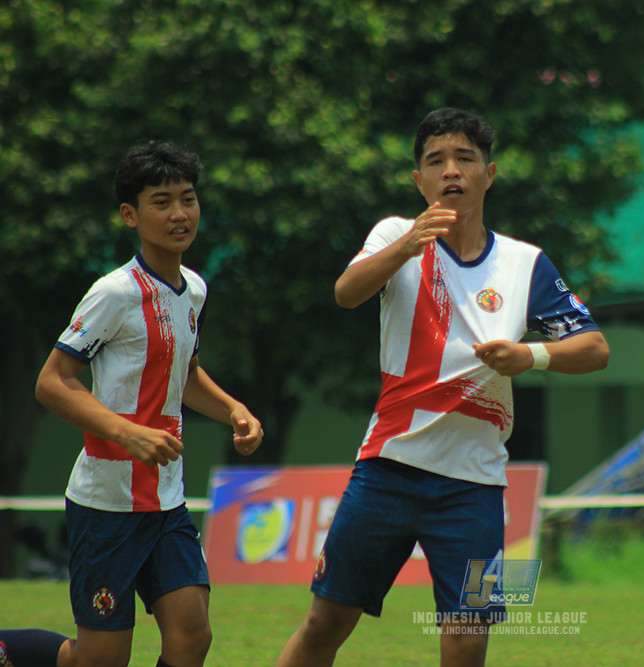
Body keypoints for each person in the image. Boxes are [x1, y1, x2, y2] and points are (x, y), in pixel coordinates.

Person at [275, 107, 609, 667]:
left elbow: (594, 348)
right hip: (387, 471)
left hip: (474, 486)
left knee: (466, 638)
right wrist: (407, 245)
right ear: (419, 180)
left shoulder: (526, 263)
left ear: (489, 173)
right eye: (436, 160)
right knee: (325, 622)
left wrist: (530, 355)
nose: (451, 169)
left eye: (465, 158)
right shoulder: (393, 234)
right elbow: (346, 293)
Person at [0, 141, 264, 667]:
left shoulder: (195, 290)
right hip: (107, 505)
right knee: (97, 659)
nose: (179, 213)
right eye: (161, 202)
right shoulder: (113, 293)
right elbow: (52, 382)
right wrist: (127, 432)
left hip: (167, 502)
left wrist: (235, 409)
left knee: (193, 636)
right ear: (130, 215)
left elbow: (183, 375)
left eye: (187, 199)